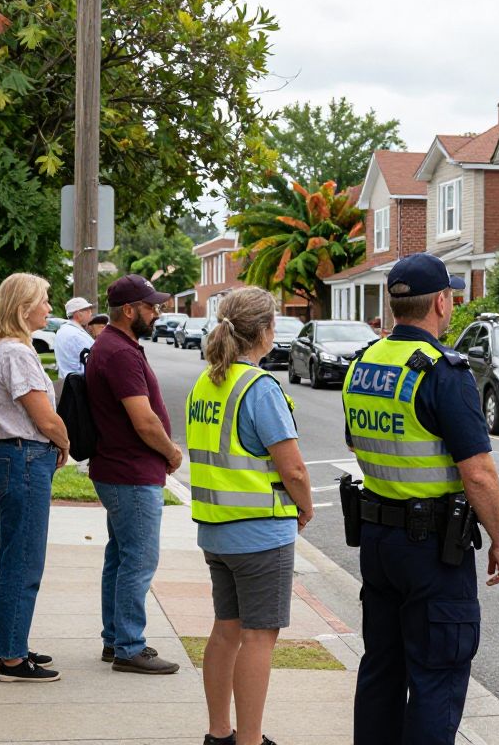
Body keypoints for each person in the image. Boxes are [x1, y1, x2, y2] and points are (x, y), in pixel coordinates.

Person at [341, 252, 499, 745]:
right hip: (433, 549)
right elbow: (478, 473)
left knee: (382, 670)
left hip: (378, 540)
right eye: (452, 296)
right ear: (441, 302)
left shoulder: (364, 362)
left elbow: (356, 441)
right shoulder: (443, 371)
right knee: (438, 674)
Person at [186, 287, 314, 745]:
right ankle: (251, 741)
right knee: (260, 638)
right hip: (261, 534)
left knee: (226, 631)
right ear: (263, 332)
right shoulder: (259, 387)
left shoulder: (208, 381)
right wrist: (306, 506)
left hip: (217, 531)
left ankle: (219, 734)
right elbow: (293, 467)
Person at [0, 273, 70, 682]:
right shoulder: (15, 353)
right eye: (44, 301)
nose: (49, 308)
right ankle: (12, 660)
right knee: (24, 562)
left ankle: (11, 645)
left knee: (14, 559)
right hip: (23, 459)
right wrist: (64, 442)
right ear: (22, 307)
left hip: (10, 459)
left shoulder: (0, 349)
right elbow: (44, 417)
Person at [86, 274, 181, 673]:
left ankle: (116, 640)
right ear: (129, 310)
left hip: (118, 469)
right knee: (139, 559)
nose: (157, 313)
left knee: (121, 557)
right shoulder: (120, 352)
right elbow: (143, 421)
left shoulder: (113, 345)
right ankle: (128, 646)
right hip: (130, 472)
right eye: (151, 307)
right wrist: (171, 452)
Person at [54, 297, 95, 379]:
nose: (91, 313)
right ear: (79, 313)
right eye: (87, 310)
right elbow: (91, 361)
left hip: (67, 381)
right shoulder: (76, 335)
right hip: (78, 383)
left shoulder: (63, 330)